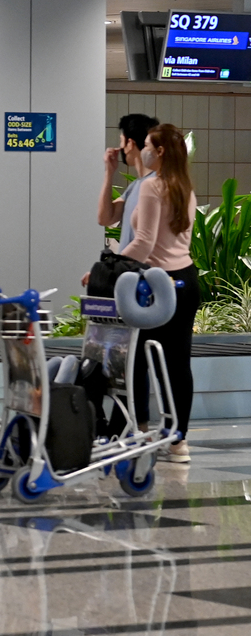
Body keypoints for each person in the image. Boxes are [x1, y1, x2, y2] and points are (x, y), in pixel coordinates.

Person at [118, 123, 199, 463]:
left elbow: (144, 242)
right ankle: (178, 440)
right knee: (178, 362)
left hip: (156, 285)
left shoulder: (152, 186)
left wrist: (109, 265)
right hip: (186, 280)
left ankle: (138, 431)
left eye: (149, 146)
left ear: (160, 151)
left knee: (138, 358)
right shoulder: (185, 187)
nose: (144, 151)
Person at [98, 114, 159, 248]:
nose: (120, 147)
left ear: (130, 144)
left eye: (121, 141)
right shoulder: (134, 187)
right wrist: (109, 172)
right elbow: (105, 218)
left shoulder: (157, 184)